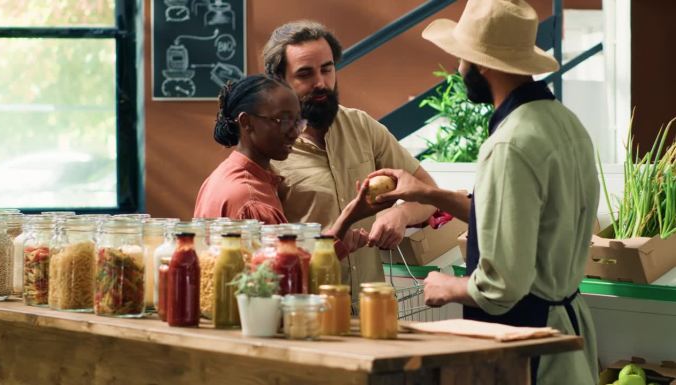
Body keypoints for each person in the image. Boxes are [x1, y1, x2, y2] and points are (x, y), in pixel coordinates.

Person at [368, 1, 600, 384]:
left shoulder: (509, 144)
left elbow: (501, 288)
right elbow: (516, 218)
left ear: (484, 64)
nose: (458, 69)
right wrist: (429, 193)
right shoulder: (562, 122)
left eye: (462, 59)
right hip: (565, 335)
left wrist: (448, 286)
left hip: (529, 348)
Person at [263, 20, 438, 291]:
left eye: (327, 69)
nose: (321, 83)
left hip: (371, 308)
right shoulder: (269, 148)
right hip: (309, 312)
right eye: (305, 74)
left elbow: (430, 194)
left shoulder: (362, 126)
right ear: (280, 80)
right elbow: (267, 254)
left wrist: (401, 214)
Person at [194, 74, 389, 253]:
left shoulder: (223, 176)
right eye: (283, 120)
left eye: (298, 122)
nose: (295, 133)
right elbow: (277, 282)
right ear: (247, 122)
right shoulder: (252, 201)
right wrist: (348, 218)